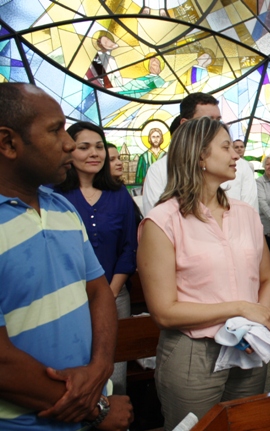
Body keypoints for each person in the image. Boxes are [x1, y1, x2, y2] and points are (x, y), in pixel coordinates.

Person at [0, 82, 133, 430]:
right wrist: (98, 409)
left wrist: (100, 368)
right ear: (8, 143)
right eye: (55, 130)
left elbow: (98, 292)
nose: (69, 144)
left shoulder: (61, 208)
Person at [137, 117, 270, 430]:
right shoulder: (163, 221)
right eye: (226, 147)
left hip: (248, 344)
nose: (236, 154)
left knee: (246, 425)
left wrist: (258, 319)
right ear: (200, 155)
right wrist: (241, 309)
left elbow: (268, 279)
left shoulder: (245, 214)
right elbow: (164, 312)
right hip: (194, 352)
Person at [55, 122, 139, 395]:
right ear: (69, 150)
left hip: (115, 293)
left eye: (99, 147)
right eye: (84, 147)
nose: (94, 153)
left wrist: (110, 292)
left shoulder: (118, 194)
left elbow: (129, 247)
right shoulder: (54, 195)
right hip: (69, 297)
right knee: (75, 371)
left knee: (114, 372)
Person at [141, 93, 258, 215]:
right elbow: (158, 218)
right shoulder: (159, 170)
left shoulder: (240, 166)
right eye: (207, 121)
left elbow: (250, 215)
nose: (216, 127)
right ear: (185, 124)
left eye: (218, 120)